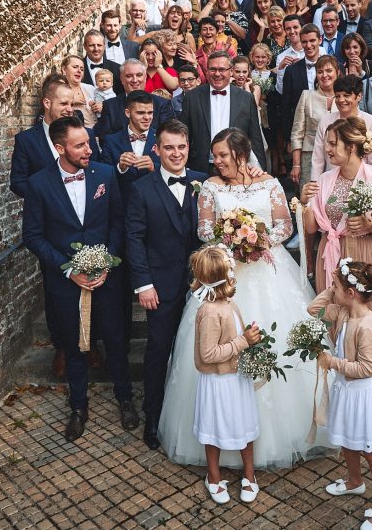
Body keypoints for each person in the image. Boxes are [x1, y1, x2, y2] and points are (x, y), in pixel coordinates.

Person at [159, 128, 332, 468]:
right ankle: (219, 438)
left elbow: (285, 226)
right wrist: (230, 238)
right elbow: (203, 229)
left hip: (268, 271)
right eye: (215, 156)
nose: (217, 161)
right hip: (225, 273)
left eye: (223, 155)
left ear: (241, 154)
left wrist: (260, 241)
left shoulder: (268, 182)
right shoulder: (210, 187)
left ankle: (283, 434)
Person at [22, 116, 137, 440]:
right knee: (74, 346)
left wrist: (105, 262)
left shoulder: (105, 174)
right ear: (60, 148)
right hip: (65, 284)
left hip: (107, 279)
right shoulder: (38, 184)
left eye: (87, 142)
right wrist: (69, 269)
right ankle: (78, 407)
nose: (89, 149)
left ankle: (125, 398)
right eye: (80, 145)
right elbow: (33, 236)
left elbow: (117, 221)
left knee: (115, 341)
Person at [300, 115, 372, 415]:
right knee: (336, 324)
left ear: (351, 146)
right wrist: (305, 202)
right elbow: (311, 229)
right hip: (333, 259)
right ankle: (339, 402)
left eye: (333, 144)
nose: (328, 150)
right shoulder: (323, 180)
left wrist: (371, 223)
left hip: (368, 257)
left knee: (368, 326)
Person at [10, 76, 103, 378]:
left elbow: (96, 171)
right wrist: (48, 195)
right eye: (64, 103)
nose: (70, 108)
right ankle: (62, 346)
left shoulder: (84, 135)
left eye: (73, 103)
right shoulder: (27, 140)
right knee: (55, 290)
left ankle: (92, 343)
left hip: (84, 224)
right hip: (50, 227)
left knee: (95, 287)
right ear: (47, 103)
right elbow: (17, 182)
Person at [125, 119, 209, 450]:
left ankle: (196, 417)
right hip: (160, 286)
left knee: (198, 351)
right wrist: (143, 283)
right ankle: (153, 416)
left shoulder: (204, 182)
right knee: (159, 350)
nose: (176, 154)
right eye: (169, 148)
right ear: (156, 150)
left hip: (203, 286)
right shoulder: (141, 189)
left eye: (182, 147)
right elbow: (134, 238)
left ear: (189, 148)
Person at [312, 260, 372, 530]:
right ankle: (355, 482)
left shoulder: (367, 326)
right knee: (348, 441)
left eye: (335, 287)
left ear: (350, 293)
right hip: (347, 390)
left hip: (364, 395)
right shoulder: (345, 312)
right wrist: (332, 286)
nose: (331, 290)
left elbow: (369, 367)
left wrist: (333, 362)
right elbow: (313, 310)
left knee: (371, 452)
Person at [188, 245, 263, 504]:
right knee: (213, 428)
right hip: (218, 382)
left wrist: (248, 337)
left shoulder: (227, 303)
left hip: (236, 377)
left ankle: (250, 475)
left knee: (244, 425)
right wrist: (243, 342)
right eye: (231, 270)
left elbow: (233, 337)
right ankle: (214, 476)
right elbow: (208, 354)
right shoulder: (209, 312)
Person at [179, 52, 266, 173]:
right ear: (207, 71)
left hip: (237, 167)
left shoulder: (246, 98)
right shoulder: (192, 97)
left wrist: (260, 168)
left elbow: (255, 137)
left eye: (222, 69)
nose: (217, 74)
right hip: (201, 167)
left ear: (231, 71)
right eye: (213, 69)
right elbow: (184, 135)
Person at [310, 75, 372, 180]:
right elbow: (318, 158)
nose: (341, 100)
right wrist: (315, 183)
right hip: (330, 180)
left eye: (346, 95)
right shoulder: (326, 121)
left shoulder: (371, 121)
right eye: (337, 96)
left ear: (359, 96)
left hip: (361, 182)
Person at [290, 55, 339, 189]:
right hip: (309, 158)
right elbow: (297, 133)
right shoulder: (307, 96)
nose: (324, 75)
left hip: (338, 158)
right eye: (320, 71)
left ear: (337, 72)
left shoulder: (344, 99)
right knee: (309, 200)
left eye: (329, 70)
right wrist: (296, 165)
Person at [93, 59, 175, 137]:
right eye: (129, 76)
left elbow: (168, 137)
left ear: (145, 77)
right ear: (121, 79)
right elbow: (105, 139)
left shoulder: (162, 104)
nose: (135, 80)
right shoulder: (110, 106)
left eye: (139, 75)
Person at [101, 89, 159, 197]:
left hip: (155, 205)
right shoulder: (111, 141)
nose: (147, 117)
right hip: (124, 206)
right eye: (140, 113)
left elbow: (174, 171)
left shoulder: (162, 139)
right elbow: (104, 178)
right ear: (128, 113)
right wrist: (120, 168)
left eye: (150, 112)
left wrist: (153, 168)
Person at [281, 24, 325, 150]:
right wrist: (288, 138)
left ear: (320, 40)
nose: (308, 45)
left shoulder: (333, 66)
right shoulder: (291, 71)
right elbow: (286, 105)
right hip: (302, 131)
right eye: (304, 42)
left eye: (312, 41)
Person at [61, 54, 101, 126]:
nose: (79, 71)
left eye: (82, 69)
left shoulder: (91, 88)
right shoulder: (59, 90)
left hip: (98, 132)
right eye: (75, 67)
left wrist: (101, 107)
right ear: (64, 70)